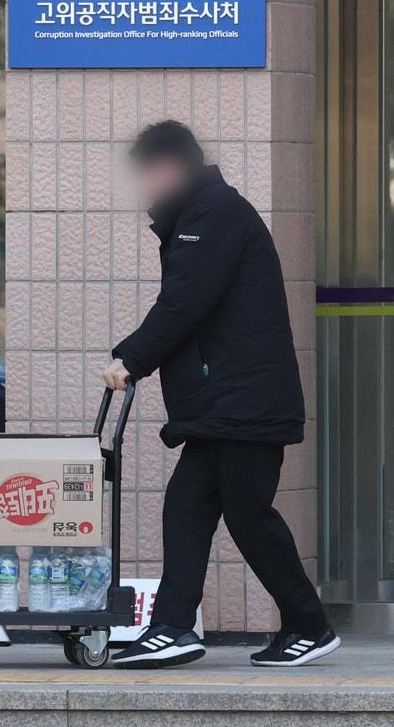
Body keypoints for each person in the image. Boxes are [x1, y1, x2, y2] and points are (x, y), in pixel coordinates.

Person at [103, 121, 337, 669]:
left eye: (151, 172)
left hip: (244, 403)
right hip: (222, 405)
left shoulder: (214, 212)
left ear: (173, 167)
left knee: (249, 516)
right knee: (187, 508)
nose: (147, 186)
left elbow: (186, 303)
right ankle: (172, 628)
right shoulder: (199, 214)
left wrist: (132, 359)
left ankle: (310, 624)